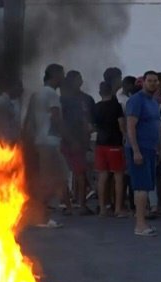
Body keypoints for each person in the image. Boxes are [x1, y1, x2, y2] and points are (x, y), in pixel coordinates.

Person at [23, 63, 71, 228]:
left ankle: (41, 215)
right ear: (54, 75)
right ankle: (42, 217)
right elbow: (56, 118)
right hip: (50, 142)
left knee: (48, 178)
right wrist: (69, 137)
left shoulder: (36, 94)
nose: (63, 78)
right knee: (55, 178)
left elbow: (28, 120)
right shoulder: (51, 94)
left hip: (40, 141)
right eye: (62, 74)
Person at [126, 70, 161, 236]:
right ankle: (140, 225)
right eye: (150, 80)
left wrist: (159, 149)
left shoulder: (154, 102)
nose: (153, 83)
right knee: (141, 187)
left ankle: (143, 222)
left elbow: (157, 126)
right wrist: (135, 150)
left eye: (156, 81)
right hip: (139, 148)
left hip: (150, 149)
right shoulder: (136, 101)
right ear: (143, 82)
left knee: (147, 187)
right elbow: (131, 126)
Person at [60, 70, 96, 215]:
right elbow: (59, 120)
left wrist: (90, 129)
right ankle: (69, 204)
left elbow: (91, 120)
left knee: (79, 172)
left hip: (81, 141)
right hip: (69, 141)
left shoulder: (86, 99)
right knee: (68, 173)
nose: (80, 81)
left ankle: (81, 204)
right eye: (77, 78)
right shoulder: (63, 100)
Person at [94, 81, 128, 218]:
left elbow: (92, 125)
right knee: (118, 176)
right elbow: (121, 124)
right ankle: (118, 209)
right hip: (114, 144)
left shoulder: (96, 107)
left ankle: (102, 208)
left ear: (100, 92)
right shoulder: (116, 106)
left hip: (100, 144)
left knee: (102, 176)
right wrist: (125, 136)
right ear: (112, 91)